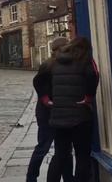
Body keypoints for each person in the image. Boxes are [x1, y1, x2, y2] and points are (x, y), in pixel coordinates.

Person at [46, 37, 99, 182]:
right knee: (82, 156)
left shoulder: (55, 63)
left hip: (59, 117)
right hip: (80, 116)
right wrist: (88, 97)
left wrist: (48, 99)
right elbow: (93, 75)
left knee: (60, 155)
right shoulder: (84, 60)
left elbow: (42, 81)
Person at [26, 37, 73, 182]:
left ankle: (68, 177)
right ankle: (31, 177)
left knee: (64, 149)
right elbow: (37, 83)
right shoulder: (48, 65)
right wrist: (46, 99)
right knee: (43, 147)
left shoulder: (65, 64)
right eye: (67, 48)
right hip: (46, 114)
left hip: (60, 113)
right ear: (59, 49)